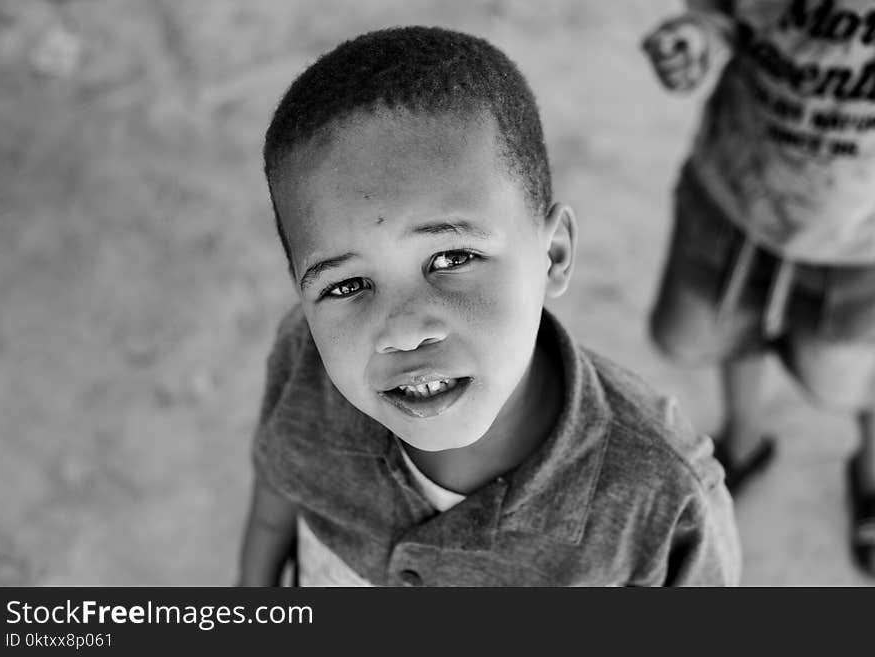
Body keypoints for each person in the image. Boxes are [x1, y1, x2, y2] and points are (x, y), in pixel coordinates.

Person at [237, 25, 740, 587]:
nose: (402, 331)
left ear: (552, 254)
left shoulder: (662, 497)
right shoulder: (303, 358)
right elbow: (274, 501)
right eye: (345, 286)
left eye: (451, 257)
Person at [643, 0, 875, 575]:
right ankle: (742, 441)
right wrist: (698, 37)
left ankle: (872, 472)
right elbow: (724, 13)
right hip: (735, 196)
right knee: (712, 332)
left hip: (862, 241)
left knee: (850, 375)